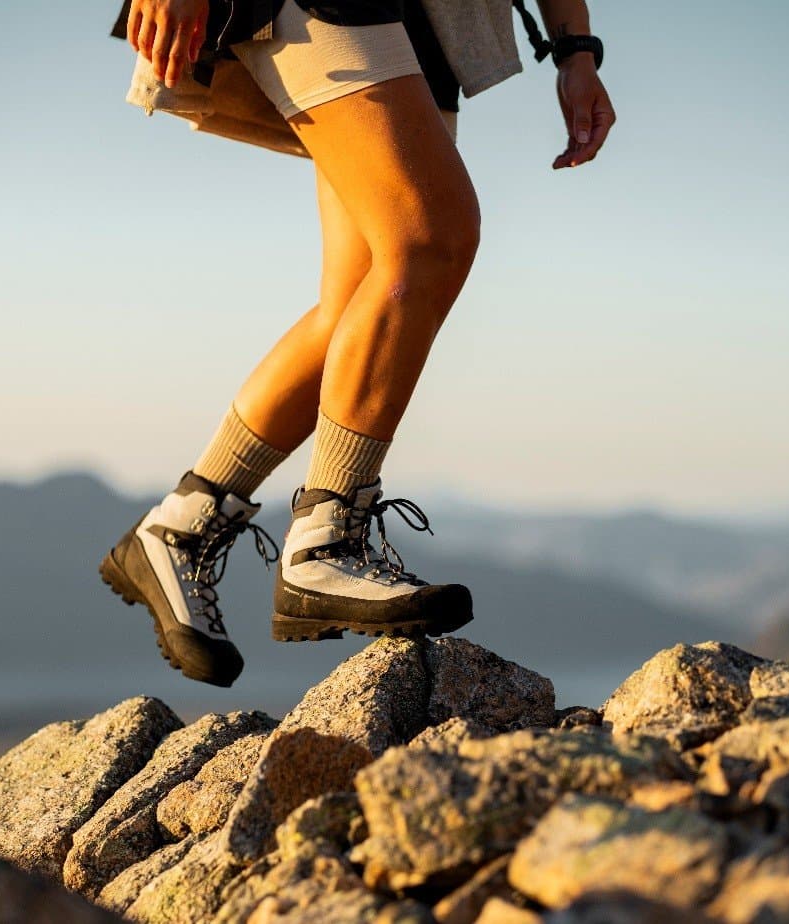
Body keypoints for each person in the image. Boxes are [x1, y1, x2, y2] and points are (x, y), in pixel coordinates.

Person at [99, 0, 615, 686]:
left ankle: (184, 524)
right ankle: (326, 538)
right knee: (431, 237)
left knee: (362, 295)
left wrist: (576, 50)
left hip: (423, 19)